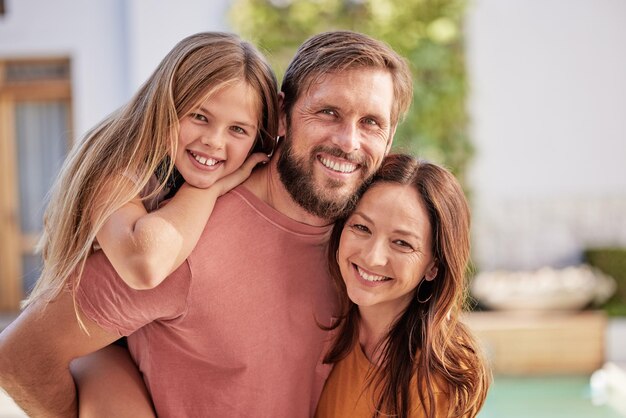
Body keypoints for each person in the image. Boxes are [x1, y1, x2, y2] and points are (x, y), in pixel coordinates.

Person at [0, 30, 413, 418]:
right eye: (328, 112)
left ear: (390, 138)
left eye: (371, 123)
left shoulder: (365, 250)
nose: (349, 141)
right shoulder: (182, 238)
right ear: (284, 116)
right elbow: (22, 358)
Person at [315, 154, 491, 418]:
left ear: (434, 266)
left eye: (402, 243)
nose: (372, 257)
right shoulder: (324, 322)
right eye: (362, 227)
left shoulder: (438, 376)